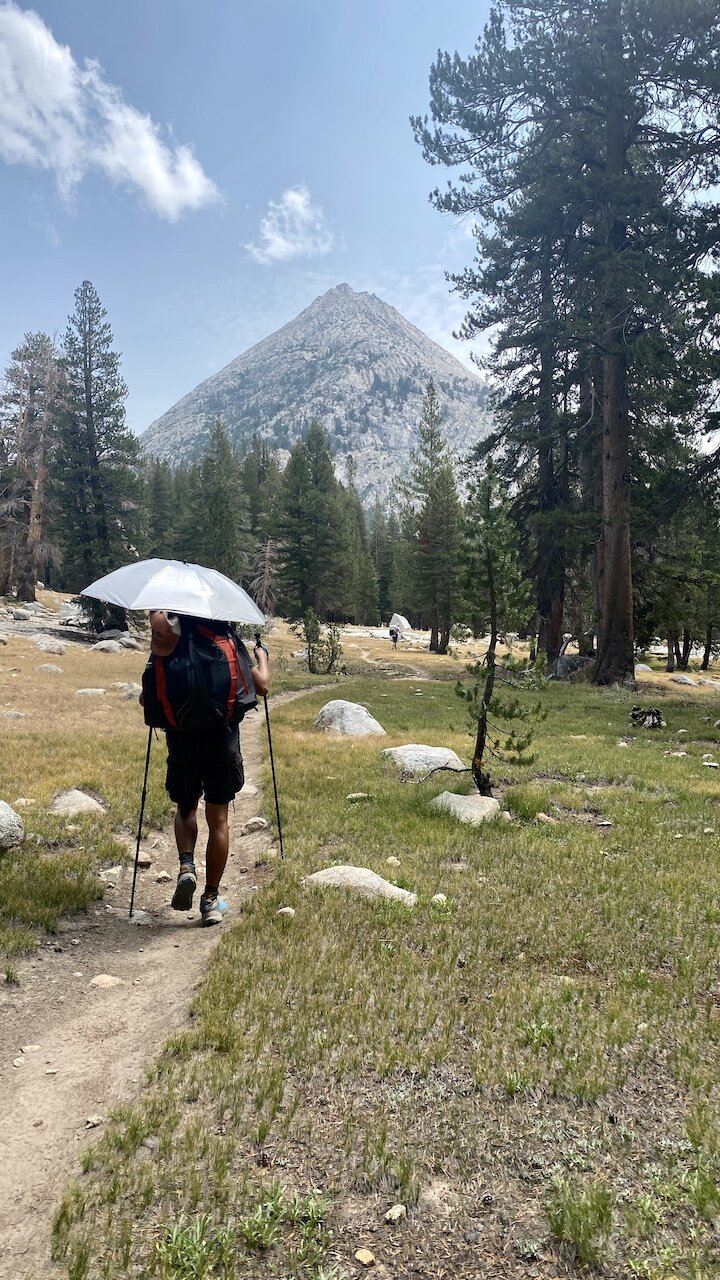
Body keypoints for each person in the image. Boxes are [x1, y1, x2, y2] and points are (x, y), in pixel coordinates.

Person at [148, 610, 270, 926]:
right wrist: (262, 657)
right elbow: (262, 686)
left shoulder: (167, 640)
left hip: (181, 740)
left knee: (185, 808)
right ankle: (211, 900)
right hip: (221, 738)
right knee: (219, 820)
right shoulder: (224, 636)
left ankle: (186, 866)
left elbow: (149, 692)